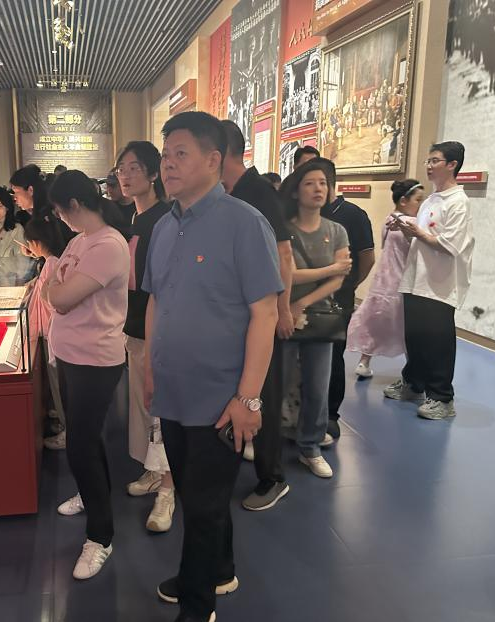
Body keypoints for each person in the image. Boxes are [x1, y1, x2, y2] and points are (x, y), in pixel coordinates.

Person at [145, 111, 282, 622]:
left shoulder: (245, 223)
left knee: (202, 506)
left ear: (213, 160)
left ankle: (197, 603)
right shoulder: (163, 227)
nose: (168, 164)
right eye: (165, 155)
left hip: (222, 398)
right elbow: (156, 300)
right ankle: (219, 570)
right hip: (174, 390)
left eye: (180, 154)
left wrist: (249, 398)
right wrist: (150, 369)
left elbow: (265, 313)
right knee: (196, 494)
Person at [44, 170, 129, 581]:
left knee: (80, 445)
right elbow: (57, 284)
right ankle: (89, 494)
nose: (60, 219)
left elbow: (60, 296)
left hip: (96, 360)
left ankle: (101, 536)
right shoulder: (80, 240)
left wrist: (55, 287)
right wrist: (56, 286)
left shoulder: (108, 245)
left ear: (74, 205)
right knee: (85, 441)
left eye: (60, 211)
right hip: (71, 354)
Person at [220, 119, 294, 512]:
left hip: (263, 312)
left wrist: (282, 309)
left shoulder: (257, 192)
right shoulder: (226, 193)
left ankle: (273, 477)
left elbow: (284, 254)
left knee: (264, 392)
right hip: (238, 315)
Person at [385, 141, 475, 420]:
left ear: (452, 165)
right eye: (428, 160)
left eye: (435, 160)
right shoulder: (432, 200)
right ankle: (413, 384)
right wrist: (405, 228)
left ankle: (442, 398)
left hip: (439, 283)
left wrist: (417, 231)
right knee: (416, 336)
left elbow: (450, 245)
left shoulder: (459, 202)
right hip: (417, 278)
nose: (429, 166)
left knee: (437, 341)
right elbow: (420, 238)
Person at [114, 141, 174, 532]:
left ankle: (169, 487)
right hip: (134, 325)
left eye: (134, 168)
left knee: (163, 407)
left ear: (153, 174)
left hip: (161, 330)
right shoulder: (133, 219)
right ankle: (155, 471)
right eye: (121, 169)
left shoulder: (164, 220)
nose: (125, 175)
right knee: (142, 405)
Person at [280, 161, 351, 479]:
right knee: (278, 383)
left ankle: (310, 446)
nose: (318, 189)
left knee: (317, 386)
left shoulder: (336, 231)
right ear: (296, 191)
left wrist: (302, 303)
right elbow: (289, 274)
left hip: (320, 318)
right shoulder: (284, 229)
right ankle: (266, 438)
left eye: (323, 182)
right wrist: (331, 269)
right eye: (310, 183)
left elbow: (339, 280)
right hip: (283, 316)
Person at [314, 159, 375, 439]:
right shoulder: (301, 213)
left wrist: (349, 286)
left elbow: (367, 258)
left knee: (332, 357)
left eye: (318, 182)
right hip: (304, 299)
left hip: (337, 301)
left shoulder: (353, 216)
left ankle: (330, 414)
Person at [346, 180, 424, 378]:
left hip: (383, 280)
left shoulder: (389, 220)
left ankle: (364, 361)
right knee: (408, 327)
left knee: (374, 322)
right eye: (418, 200)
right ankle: (414, 370)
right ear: (404, 201)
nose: (420, 205)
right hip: (403, 281)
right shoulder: (412, 224)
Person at [24, 216, 68, 451]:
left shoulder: (52, 264)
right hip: (52, 332)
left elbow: (50, 301)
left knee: (60, 384)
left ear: (37, 242)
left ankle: (68, 431)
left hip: (54, 333)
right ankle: (64, 422)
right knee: (57, 383)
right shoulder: (51, 262)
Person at [0, 186, 36, 286]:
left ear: (7, 207)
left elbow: (22, 259)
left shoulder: (16, 228)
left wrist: (19, 282)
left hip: (11, 280)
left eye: (0, 206)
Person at [9, 165, 75, 245]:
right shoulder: (41, 213)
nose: (15, 197)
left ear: (30, 190)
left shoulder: (51, 216)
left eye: (16, 192)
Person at [105, 169, 136, 237]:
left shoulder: (138, 209)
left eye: (113, 186)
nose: (109, 190)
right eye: (107, 186)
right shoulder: (107, 208)